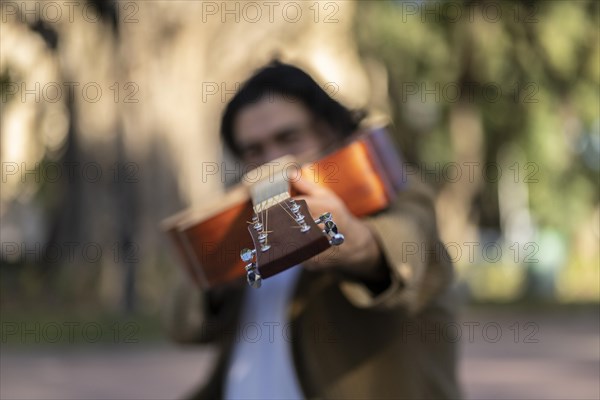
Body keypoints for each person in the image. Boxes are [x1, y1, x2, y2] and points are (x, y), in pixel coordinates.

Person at [166, 61, 461, 399]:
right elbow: (181, 326)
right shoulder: (246, 225)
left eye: (288, 138)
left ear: (332, 131)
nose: (273, 161)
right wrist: (224, 267)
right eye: (254, 150)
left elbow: (407, 249)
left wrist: (356, 243)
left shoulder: (394, 188)